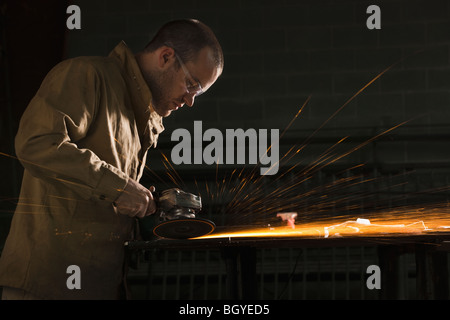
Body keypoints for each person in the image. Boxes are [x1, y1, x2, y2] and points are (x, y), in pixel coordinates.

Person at [0, 19, 223, 300]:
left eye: (199, 93)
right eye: (191, 85)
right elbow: (37, 143)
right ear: (166, 57)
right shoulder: (86, 76)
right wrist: (121, 188)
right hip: (48, 284)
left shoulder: (141, 113)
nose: (190, 101)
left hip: (100, 284)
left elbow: (101, 197)